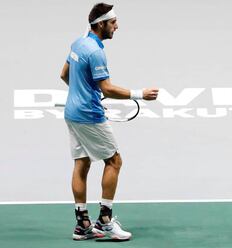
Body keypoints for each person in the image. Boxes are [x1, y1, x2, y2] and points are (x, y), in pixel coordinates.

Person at [60, 3, 159, 241]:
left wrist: (84, 94)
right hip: (89, 116)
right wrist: (139, 94)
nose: (117, 26)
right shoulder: (95, 51)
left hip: (72, 112)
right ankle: (105, 220)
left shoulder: (78, 43)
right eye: (113, 22)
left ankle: (82, 223)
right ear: (101, 24)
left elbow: (65, 74)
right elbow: (107, 87)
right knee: (114, 161)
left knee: (81, 164)